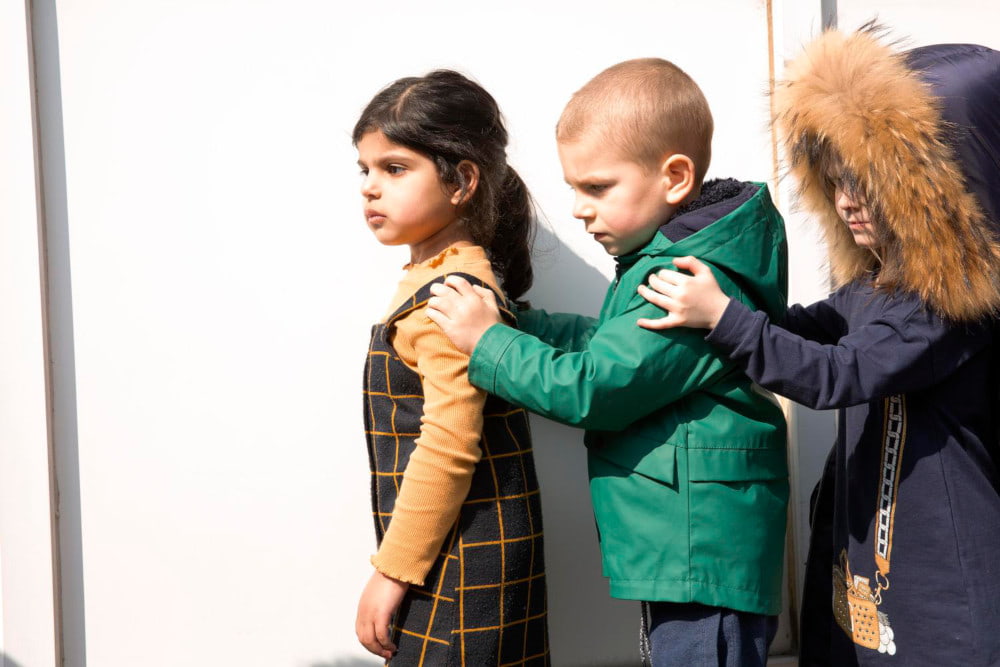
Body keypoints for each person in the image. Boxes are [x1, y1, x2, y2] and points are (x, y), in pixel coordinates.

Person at [636, 29, 1000, 666]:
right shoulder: (877, 281)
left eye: (868, 183)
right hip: (879, 554)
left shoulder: (949, 306)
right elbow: (815, 325)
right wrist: (733, 302)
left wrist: (724, 319)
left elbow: (838, 373)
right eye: (833, 181)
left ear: (938, 188)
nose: (846, 203)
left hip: (943, 568)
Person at [427, 58, 789, 666]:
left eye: (596, 188)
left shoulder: (687, 276)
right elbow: (613, 345)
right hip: (686, 544)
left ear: (674, 178)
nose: (577, 208)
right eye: (573, 188)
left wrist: (488, 342)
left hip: (700, 553)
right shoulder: (674, 256)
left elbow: (595, 387)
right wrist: (521, 324)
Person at [352, 69, 549, 666]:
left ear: (462, 180)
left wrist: (392, 573)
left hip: (463, 562)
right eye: (364, 169)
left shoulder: (449, 298)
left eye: (394, 168)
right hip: (453, 551)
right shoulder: (439, 277)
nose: (370, 188)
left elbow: (447, 445)